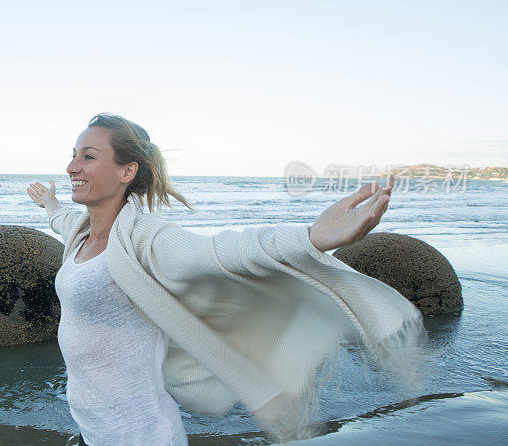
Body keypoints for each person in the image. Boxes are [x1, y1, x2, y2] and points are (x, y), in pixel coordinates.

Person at [27, 112, 427, 445]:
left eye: (88, 156)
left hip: (140, 434)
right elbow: (63, 222)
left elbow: (219, 251)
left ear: (127, 170)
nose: (71, 166)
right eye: (73, 154)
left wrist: (311, 238)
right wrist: (50, 203)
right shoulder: (81, 233)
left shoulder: (144, 239)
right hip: (95, 427)